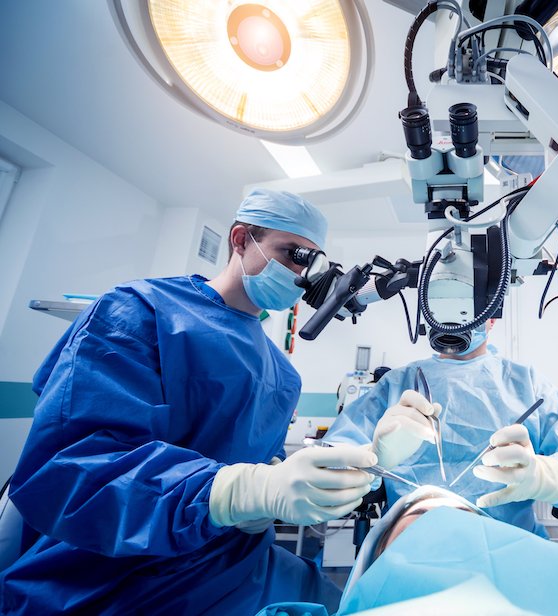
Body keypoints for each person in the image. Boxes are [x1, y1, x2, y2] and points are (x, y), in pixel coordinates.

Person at [0, 189, 376, 615]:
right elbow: (70, 469)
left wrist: (271, 493)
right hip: (113, 574)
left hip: (233, 561)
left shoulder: (283, 374)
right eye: (291, 254)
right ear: (239, 239)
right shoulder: (140, 312)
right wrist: (236, 493)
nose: (299, 274)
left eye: (311, 262)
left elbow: (258, 464)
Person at [324, 320, 558, 536]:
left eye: (469, 305)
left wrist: (546, 476)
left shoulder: (526, 385)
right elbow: (327, 469)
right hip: (409, 547)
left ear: (492, 316)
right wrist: (372, 460)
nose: (456, 316)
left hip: (509, 552)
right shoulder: (396, 386)